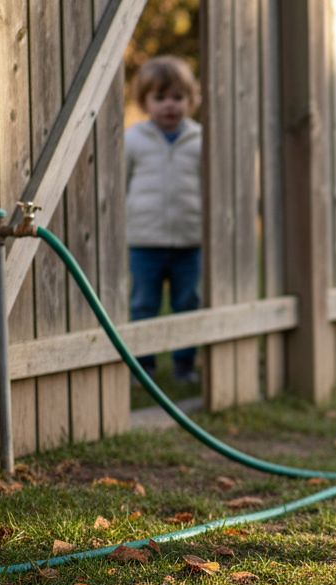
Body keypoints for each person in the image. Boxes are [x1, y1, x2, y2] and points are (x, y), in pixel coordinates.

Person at [125, 55, 203, 385]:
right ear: (145, 101)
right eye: (160, 97)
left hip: (189, 240)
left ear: (191, 100)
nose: (169, 105)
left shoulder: (199, 139)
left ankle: (184, 364)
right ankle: (144, 366)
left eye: (177, 97)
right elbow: (121, 183)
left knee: (187, 302)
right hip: (145, 241)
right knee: (144, 303)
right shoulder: (133, 139)